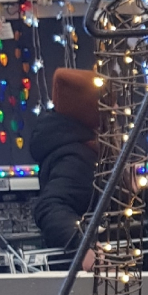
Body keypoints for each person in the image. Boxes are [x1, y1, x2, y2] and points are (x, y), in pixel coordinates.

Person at [29, 68, 100, 265]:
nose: (116, 108)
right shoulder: (77, 156)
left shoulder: (71, 144)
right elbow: (49, 207)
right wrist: (82, 245)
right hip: (91, 270)